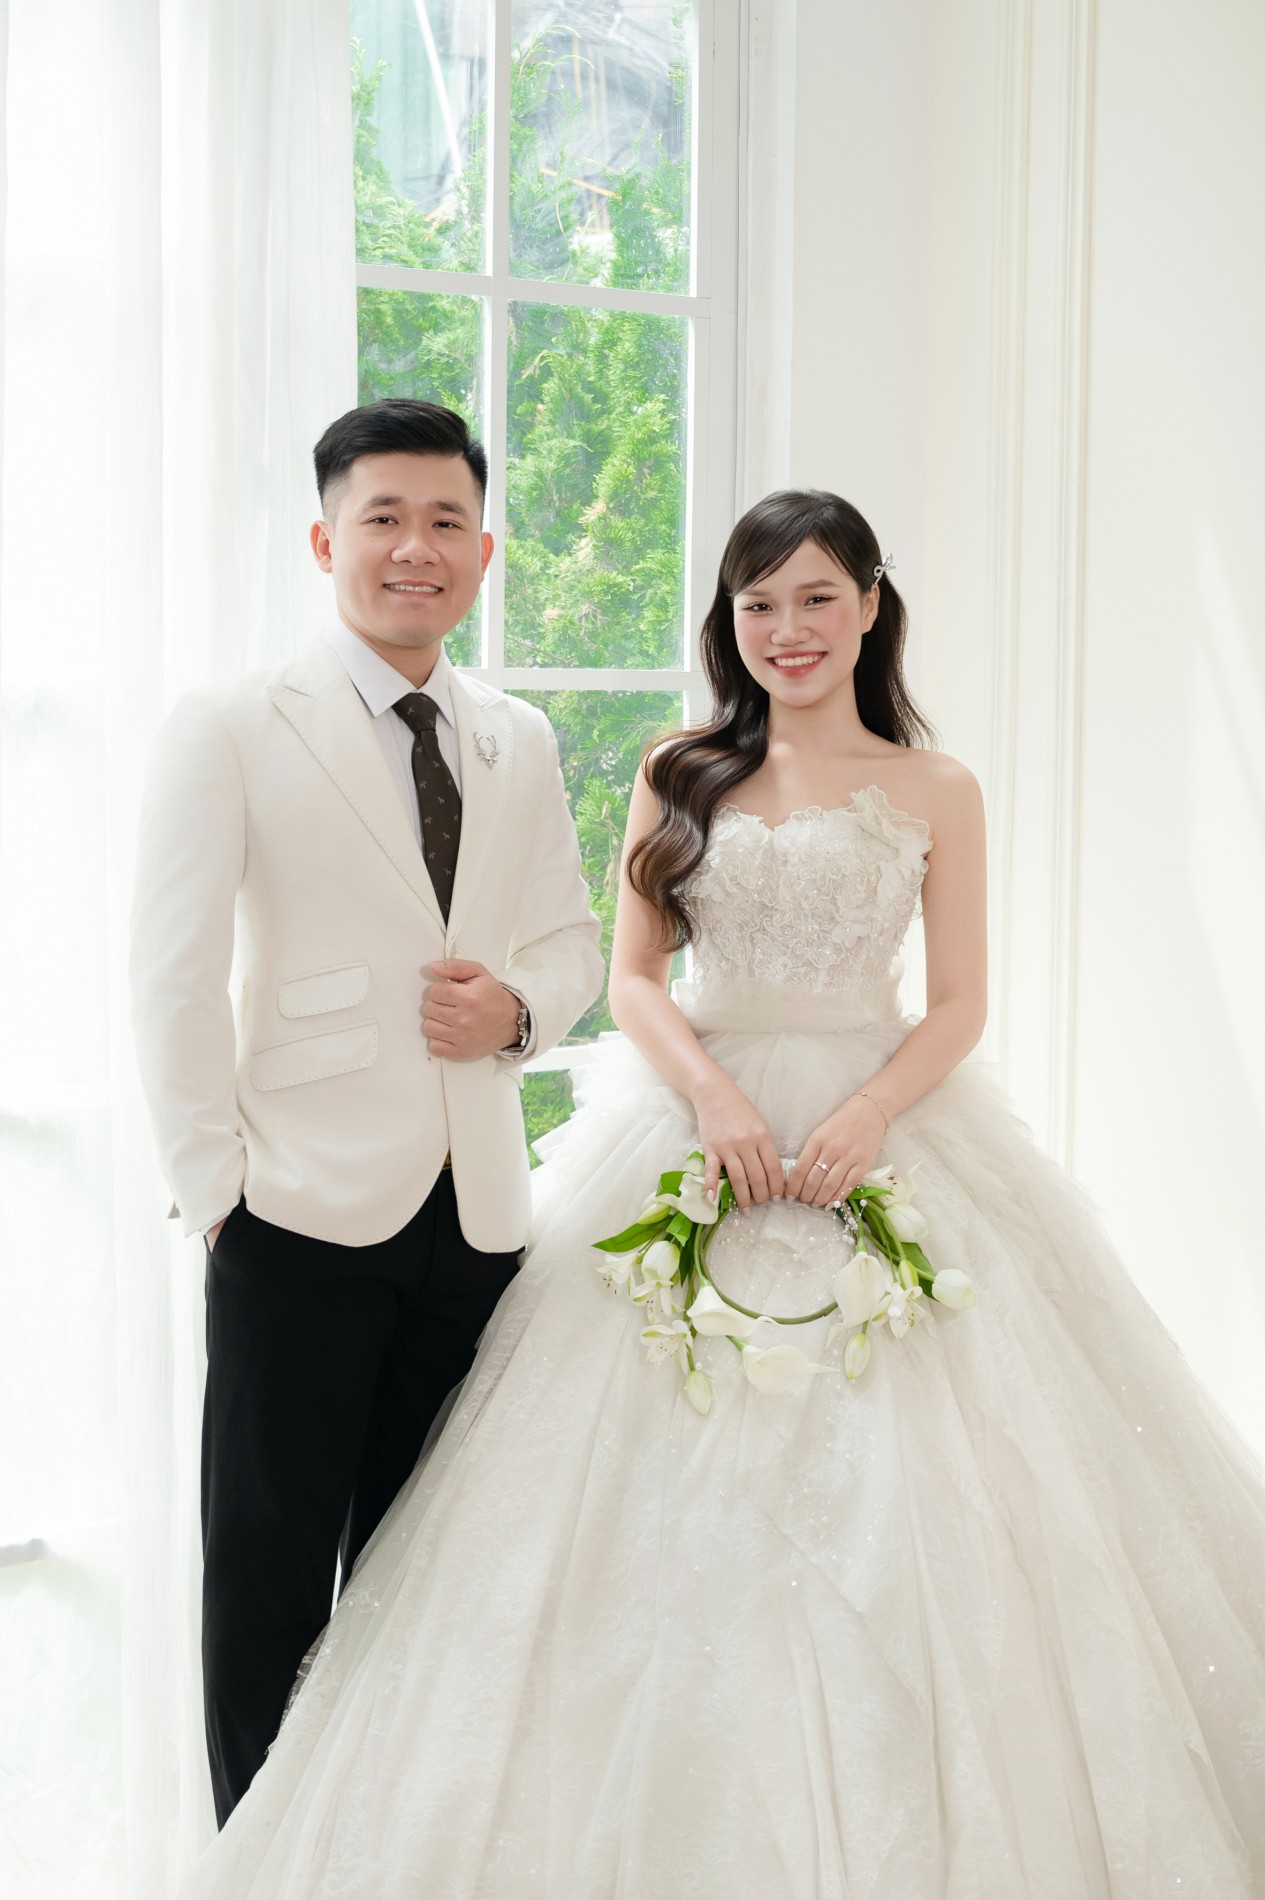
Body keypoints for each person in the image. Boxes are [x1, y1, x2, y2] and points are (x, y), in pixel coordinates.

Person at [178, 489, 1265, 1896]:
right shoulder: (676, 767)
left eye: (816, 598)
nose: (786, 629)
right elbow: (632, 976)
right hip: (699, 1118)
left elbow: (959, 1000)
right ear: (728, 621)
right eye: (758, 603)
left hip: (882, 1124)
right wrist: (712, 1095)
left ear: (869, 607)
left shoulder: (937, 786)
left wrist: (869, 1111)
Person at [130, 399, 605, 1827]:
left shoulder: (516, 736)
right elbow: (170, 976)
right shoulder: (232, 723)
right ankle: (256, 1859)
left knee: (435, 1582)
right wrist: (217, 1195)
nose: (416, 548)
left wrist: (516, 1013)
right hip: (294, 1214)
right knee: (268, 1582)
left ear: (485, 551)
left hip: (479, 1220)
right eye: (383, 518)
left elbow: (571, 943)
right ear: (325, 539)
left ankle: (398, 1854)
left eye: (446, 521)